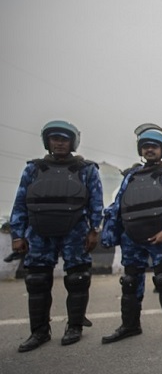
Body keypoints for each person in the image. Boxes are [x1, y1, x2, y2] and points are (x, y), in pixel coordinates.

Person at [10, 120, 103, 352]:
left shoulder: (86, 169)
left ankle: (75, 326)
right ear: (47, 142)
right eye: (55, 139)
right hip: (39, 231)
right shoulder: (34, 169)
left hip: (75, 231)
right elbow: (21, 203)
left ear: (73, 143)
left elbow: (96, 202)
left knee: (78, 278)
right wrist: (17, 235)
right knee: (37, 281)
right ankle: (39, 332)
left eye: (64, 139)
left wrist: (94, 230)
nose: (59, 143)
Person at [100, 123, 162, 342]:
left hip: (159, 236)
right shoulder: (131, 175)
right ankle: (130, 325)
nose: (149, 149)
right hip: (131, 237)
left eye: (154, 146)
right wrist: (111, 231)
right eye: (146, 146)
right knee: (130, 282)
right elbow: (119, 204)